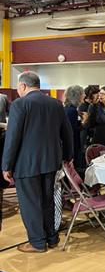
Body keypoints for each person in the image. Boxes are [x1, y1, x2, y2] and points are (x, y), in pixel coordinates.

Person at [2, 71, 73, 252]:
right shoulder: (56, 104)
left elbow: (13, 137)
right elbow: (67, 132)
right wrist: (68, 156)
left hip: (26, 164)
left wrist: (6, 165)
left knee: (30, 203)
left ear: (23, 86)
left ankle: (37, 242)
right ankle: (52, 237)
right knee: (47, 201)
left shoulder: (20, 104)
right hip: (51, 161)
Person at [63, 85, 85, 172]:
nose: (84, 96)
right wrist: (84, 122)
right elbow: (73, 129)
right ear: (77, 96)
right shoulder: (72, 110)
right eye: (82, 94)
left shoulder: (68, 108)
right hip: (72, 144)